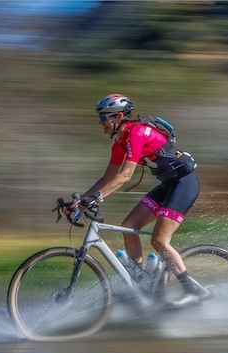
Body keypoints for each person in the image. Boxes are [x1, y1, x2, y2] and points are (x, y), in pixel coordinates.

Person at [67, 93, 202, 308]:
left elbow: (125, 175)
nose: (100, 123)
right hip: (168, 185)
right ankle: (142, 285)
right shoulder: (119, 143)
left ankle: (192, 291)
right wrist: (81, 201)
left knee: (159, 240)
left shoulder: (137, 133)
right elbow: (107, 178)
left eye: (103, 118)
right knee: (128, 226)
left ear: (117, 117)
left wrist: (98, 197)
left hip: (184, 183)